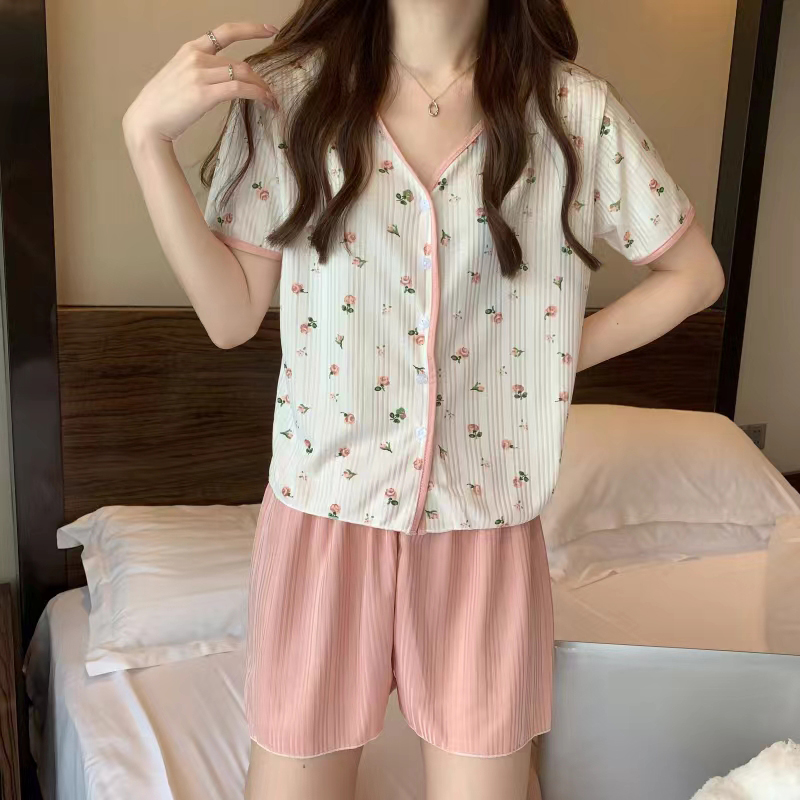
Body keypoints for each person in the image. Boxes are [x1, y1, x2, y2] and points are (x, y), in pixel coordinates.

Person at [123, 2, 725, 798]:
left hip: (485, 522)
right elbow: (231, 317)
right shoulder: (287, 100)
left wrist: (547, 355)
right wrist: (146, 141)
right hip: (324, 518)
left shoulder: (574, 112)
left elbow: (695, 276)